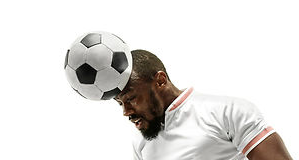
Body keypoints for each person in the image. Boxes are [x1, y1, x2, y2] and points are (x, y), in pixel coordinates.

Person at [114, 50, 292, 160]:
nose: (125, 111)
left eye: (131, 98)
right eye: (120, 103)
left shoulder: (228, 111)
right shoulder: (140, 144)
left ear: (160, 81)